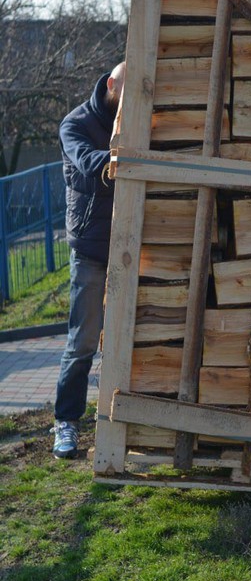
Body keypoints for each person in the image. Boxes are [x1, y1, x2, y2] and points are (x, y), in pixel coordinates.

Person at [51, 62, 125, 459]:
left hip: (132, 247)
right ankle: (66, 422)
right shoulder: (75, 122)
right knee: (82, 341)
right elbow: (83, 158)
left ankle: (121, 419)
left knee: (128, 338)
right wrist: (118, 160)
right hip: (91, 248)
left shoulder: (137, 115)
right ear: (112, 85)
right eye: (126, 93)